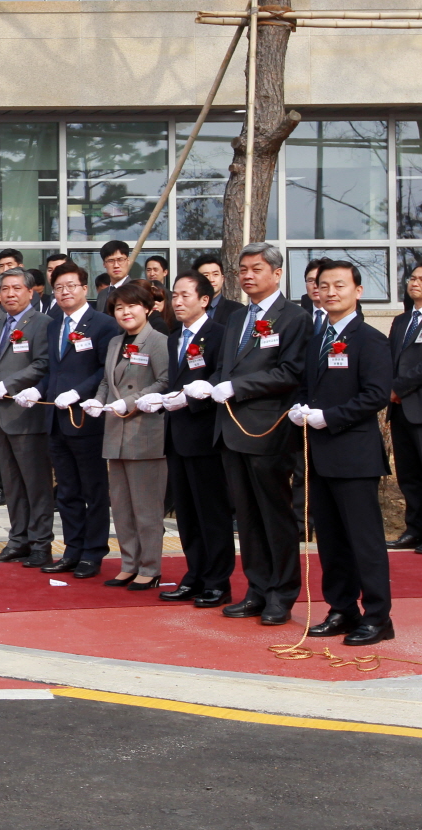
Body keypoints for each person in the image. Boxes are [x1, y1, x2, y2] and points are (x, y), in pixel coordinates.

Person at [186, 242, 309, 626]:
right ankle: (257, 588)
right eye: (243, 269)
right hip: (230, 430)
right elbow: (227, 367)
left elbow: (289, 372)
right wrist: (209, 385)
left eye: (256, 269)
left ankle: (281, 593)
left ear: (277, 273)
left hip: (267, 429)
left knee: (274, 514)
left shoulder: (294, 318)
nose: (248, 276)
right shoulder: (239, 317)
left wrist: (238, 387)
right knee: (247, 515)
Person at [292, 260, 395, 646]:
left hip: (354, 456)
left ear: (358, 291)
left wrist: (330, 417)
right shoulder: (318, 337)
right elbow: (309, 386)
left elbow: (376, 395)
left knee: (364, 541)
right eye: (324, 285)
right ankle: (342, 609)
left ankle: (379, 617)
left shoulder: (370, 339)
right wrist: (301, 408)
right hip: (320, 455)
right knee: (331, 541)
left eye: (340, 285)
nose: (331, 292)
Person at [36, 262, 118, 577]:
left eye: (71, 286)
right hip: (56, 419)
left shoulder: (103, 324)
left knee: (93, 490)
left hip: (86, 418)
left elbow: (104, 370)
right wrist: (37, 389)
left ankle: (93, 553)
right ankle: (72, 549)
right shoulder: (54, 324)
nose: (65, 292)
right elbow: (53, 370)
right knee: (67, 490)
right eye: (59, 287)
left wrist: (78, 392)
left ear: (84, 288)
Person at [86, 283, 169, 590]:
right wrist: (98, 400)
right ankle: (129, 563)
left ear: (147, 308)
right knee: (121, 507)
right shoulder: (115, 342)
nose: (125, 312)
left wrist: (132, 401)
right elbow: (107, 382)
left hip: (144, 433)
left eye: (132, 306)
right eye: (119, 308)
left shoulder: (158, 341)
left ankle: (150, 567)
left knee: (146, 508)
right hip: (115, 432)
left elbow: (165, 381)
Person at [159, 270, 234, 608]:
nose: (177, 301)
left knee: (211, 513)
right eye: (174, 295)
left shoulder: (219, 334)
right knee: (186, 514)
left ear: (204, 300)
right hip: (176, 435)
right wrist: (162, 398)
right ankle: (195, 575)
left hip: (205, 437)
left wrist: (192, 398)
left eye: (184, 295)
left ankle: (218, 582)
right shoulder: (175, 337)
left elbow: (219, 378)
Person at [0, 268, 54, 567]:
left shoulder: (42, 323)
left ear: (31, 292)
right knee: (11, 485)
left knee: (36, 485)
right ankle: (18, 540)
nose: (10, 294)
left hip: (27, 416)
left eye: (16, 288)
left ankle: (41, 544)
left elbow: (43, 363)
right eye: (5, 289)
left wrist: (10, 384)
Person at [389, 263, 422, 552]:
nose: (415, 283)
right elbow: (390, 359)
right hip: (399, 409)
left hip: (417, 404)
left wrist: (399, 388)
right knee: (408, 474)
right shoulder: (402, 321)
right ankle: (414, 529)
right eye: (412, 278)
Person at [192, 254, 245, 328]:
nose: (211, 279)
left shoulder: (237, 310)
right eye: (206, 275)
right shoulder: (188, 309)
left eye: (215, 274)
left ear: (222, 279)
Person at [94, 241, 132, 313]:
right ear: (104, 264)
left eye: (120, 259)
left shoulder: (137, 290)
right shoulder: (102, 294)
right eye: (111, 260)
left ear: (128, 261)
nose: (116, 265)